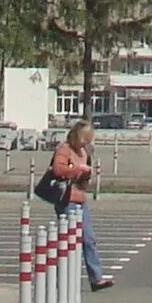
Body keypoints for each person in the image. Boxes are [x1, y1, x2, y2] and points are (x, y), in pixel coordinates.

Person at [47, 120, 111, 291]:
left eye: (89, 139)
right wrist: (77, 169)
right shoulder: (64, 149)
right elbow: (57, 170)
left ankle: (96, 278)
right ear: (76, 136)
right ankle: (61, 280)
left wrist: (86, 174)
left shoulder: (84, 151)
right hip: (66, 199)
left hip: (80, 198)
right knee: (68, 242)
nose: (86, 142)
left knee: (88, 240)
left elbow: (83, 175)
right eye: (84, 138)